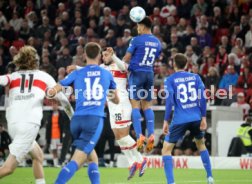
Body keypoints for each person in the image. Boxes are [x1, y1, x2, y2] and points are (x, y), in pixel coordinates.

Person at [67, 47, 147, 180]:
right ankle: (132, 163)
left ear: (112, 55)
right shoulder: (102, 68)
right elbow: (89, 70)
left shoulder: (119, 65)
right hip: (112, 105)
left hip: (121, 102)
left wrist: (114, 56)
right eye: (103, 55)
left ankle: (141, 159)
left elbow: (125, 68)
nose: (104, 57)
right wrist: (76, 67)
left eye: (106, 55)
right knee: (118, 137)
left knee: (123, 135)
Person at [0, 46, 73, 184]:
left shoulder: (12, 77)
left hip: (13, 125)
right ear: (36, 61)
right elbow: (63, 99)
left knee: (38, 155)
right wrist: (73, 117)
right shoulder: (44, 76)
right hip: (29, 125)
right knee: (8, 168)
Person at [49, 42, 119, 184]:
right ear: (100, 56)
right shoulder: (106, 74)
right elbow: (116, 100)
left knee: (92, 157)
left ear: (84, 55)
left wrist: (51, 92)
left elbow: (59, 86)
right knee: (76, 161)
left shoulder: (77, 72)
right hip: (93, 120)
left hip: (76, 121)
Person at [162, 53, 214, 184]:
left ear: (173, 64)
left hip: (180, 119)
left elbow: (169, 102)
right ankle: (210, 177)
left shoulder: (170, 80)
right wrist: (203, 117)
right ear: (186, 65)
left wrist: (166, 121)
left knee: (166, 150)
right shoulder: (195, 77)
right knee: (201, 145)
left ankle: (171, 182)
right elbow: (202, 97)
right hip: (196, 117)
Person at [123, 16, 162, 152]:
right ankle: (151, 135)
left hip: (137, 74)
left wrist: (120, 64)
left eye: (138, 26)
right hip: (149, 74)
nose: (137, 28)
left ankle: (140, 136)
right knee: (147, 106)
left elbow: (126, 59)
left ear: (144, 26)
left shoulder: (136, 40)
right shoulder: (157, 42)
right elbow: (155, 56)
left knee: (135, 106)